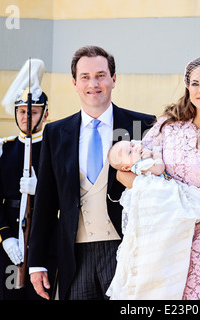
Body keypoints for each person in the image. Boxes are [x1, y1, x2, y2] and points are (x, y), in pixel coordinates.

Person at [27, 45, 156, 300]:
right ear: (74, 83)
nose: (93, 83)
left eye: (100, 75)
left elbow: (157, 192)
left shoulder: (142, 125)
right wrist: (37, 261)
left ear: (113, 79)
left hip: (128, 250)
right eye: (85, 77)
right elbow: (45, 201)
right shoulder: (56, 133)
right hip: (74, 257)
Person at [117, 55, 200, 300]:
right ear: (187, 86)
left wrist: (184, 217)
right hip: (160, 236)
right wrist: (162, 203)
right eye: (195, 82)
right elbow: (124, 172)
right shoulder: (168, 126)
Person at [0, 59, 55, 299]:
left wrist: (41, 190)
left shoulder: (53, 149)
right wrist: (5, 239)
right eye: (23, 112)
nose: (26, 117)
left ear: (45, 115)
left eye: (33, 112)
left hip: (44, 241)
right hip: (11, 242)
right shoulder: (1, 150)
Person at [106, 140, 200, 299]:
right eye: (130, 152)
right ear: (126, 168)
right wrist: (155, 153)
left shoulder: (140, 163)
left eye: (131, 145)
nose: (135, 148)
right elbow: (159, 169)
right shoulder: (140, 166)